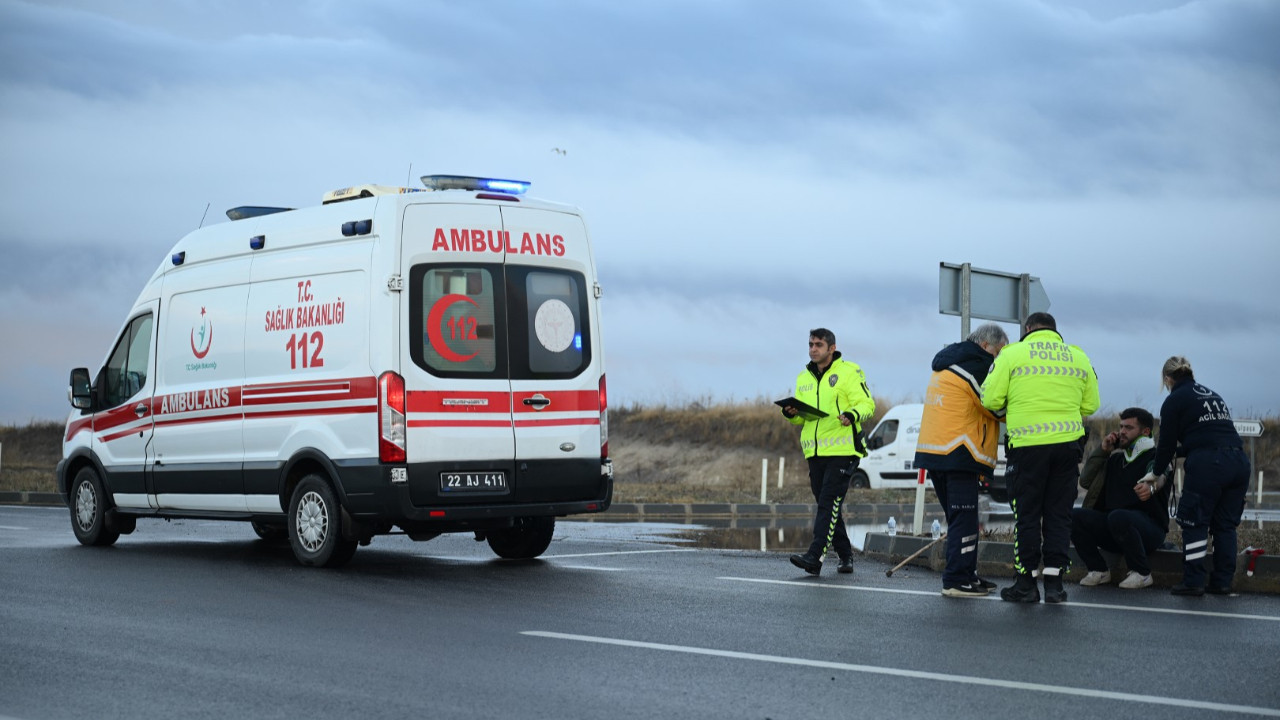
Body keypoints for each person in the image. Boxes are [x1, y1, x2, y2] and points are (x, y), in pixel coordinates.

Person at [981, 312, 1099, 603]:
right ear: (1055, 331)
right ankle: (1055, 586)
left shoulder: (1011, 354)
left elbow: (990, 399)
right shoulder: (1078, 356)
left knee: (1028, 516)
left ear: (1028, 329)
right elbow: (1091, 404)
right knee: (1060, 516)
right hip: (1067, 449)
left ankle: (1026, 583)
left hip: (1027, 448)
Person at [913, 323, 1009, 598]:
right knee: (964, 520)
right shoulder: (976, 366)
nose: (1000, 358)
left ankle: (967, 573)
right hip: (959, 451)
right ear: (985, 346)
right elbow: (995, 406)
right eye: (999, 352)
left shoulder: (951, 361)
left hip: (939, 452)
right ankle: (956, 579)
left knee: (961, 518)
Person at [1143, 356, 1249, 596]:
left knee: (1194, 521)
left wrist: (1156, 472)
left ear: (1167, 379)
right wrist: (1181, 453)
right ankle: (1222, 582)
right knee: (1225, 526)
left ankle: (1193, 581)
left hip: (1209, 465)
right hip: (1239, 462)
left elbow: (1167, 444)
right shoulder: (1212, 395)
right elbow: (1208, 437)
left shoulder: (1174, 400)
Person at [783, 328, 876, 576]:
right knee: (829, 506)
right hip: (814, 452)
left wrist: (852, 414)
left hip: (844, 450)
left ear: (832, 348)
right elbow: (801, 420)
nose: (813, 348)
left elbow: (868, 404)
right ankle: (846, 555)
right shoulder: (804, 377)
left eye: (819, 345)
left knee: (827, 503)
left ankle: (815, 557)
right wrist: (791, 413)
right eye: (811, 344)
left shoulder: (849, 372)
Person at [1071, 407, 1169, 590]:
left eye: (1128, 428)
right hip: (1115, 529)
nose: (1122, 432)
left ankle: (1142, 573)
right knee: (1074, 516)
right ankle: (1098, 570)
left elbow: (1161, 474)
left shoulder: (1156, 457)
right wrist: (1103, 450)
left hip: (1149, 531)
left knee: (1118, 516)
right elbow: (1085, 481)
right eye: (1121, 427)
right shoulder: (1115, 460)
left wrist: (1151, 485)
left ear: (1145, 431)